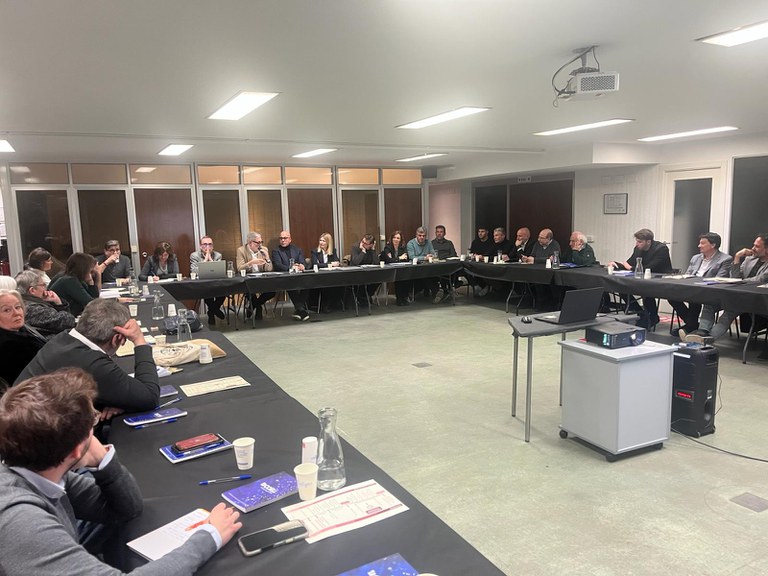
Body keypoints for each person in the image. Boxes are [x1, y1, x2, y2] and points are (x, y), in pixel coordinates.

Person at [0, 368, 242, 575]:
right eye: (93, 421)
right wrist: (209, 537)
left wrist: (103, 459)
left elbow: (127, 508)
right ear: (76, 450)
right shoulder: (20, 520)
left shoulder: (39, 472)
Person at [16, 298, 160, 420]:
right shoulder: (93, 363)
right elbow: (149, 396)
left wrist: (119, 401)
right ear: (117, 338)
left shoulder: (63, 337)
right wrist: (140, 341)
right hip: (36, 436)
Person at [683, 233, 768, 356]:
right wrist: (737, 257)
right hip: (734, 294)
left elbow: (758, 280)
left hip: (751, 299)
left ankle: (706, 339)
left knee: (728, 314)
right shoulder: (749, 259)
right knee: (709, 303)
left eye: (757, 246)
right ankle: (701, 333)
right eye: (754, 245)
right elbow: (735, 277)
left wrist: (740, 281)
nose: (753, 248)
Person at [669, 232, 732, 336]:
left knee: (695, 299)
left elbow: (720, 278)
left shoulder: (725, 259)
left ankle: (692, 327)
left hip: (710, 291)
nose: (699, 246)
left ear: (713, 245)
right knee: (671, 296)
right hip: (692, 287)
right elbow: (688, 274)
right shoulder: (696, 258)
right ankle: (692, 324)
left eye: (702, 243)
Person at [608, 228, 673, 328]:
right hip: (644, 279)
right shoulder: (638, 249)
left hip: (661, 279)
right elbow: (629, 263)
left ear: (648, 242)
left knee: (646, 291)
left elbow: (650, 268)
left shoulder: (661, 249)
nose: (637, 244)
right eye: (637, 241)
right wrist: (615, 264)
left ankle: (652, 317)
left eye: (639, 242)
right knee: (621, 288)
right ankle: (641, 313)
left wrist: (630, 268)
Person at [0, 289, 47, 390]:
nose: (16, 313)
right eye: (7, 310)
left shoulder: (23, 330)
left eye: (18, 307)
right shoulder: (10, 346)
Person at [14, 269, 76, 338]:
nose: (46, 289)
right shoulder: (34, 309)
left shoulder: (23, 303)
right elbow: (68, 322)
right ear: (32, 290)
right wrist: (58, 302)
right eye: (43, 285)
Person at [236, 232, 276, 320]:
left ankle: (254, 305)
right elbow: (239, 268)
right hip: (248, 280)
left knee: (272, 291)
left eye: (261, 242)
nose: (260, 245)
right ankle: (258, 307)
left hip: (261, 279)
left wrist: (267, 258)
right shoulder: (241, 250)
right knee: (249, 290)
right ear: (250, 243)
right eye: (257, 243)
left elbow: (269, 269)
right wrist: (251, 263)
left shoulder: (263, 249)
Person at [271, 230, 310, 321]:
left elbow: (302, 261)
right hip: (284, 277)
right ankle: (301, 310)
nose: (282, 240)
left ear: (290, 239)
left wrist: (301, 265)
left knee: (308, 283)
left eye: (285, 238)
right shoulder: (276, 251)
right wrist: (291, 268)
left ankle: (299, 309)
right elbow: (277, 265)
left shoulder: (297, 249)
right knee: (290, 284)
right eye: (281, 238)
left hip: (298, 276)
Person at [48, 252, 101, 317]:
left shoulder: (77, 279)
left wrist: (91, 282)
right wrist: (97, 275)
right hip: (62, 317)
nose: (93, 271)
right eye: (90, 269)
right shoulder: (69, 280)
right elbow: (91, 304)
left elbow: (94, 299)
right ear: (83, 268)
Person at [190, 236, 226, 325]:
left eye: (210, 244)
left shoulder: (218, 255)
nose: (207, 246)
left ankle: (212, 310)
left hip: (216, 283)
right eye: (205, 244)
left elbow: (219, 271)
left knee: (224, 290)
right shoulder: (194, 256)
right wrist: (206, 259)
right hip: (202, 284)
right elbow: (194, 271)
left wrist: (211, 260)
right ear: (200, 246)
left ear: (213, 246)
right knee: (207, 290)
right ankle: (214, 312)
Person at [309, 233, 342, 312]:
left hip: (330, 276)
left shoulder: (333, 251)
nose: (321, 242)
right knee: (326, 285)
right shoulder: (315, 251)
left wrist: (334, 264)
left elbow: (337, 262)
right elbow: (315, 264)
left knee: (339, 283)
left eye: (323, 241)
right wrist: (330, 264)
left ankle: (335, 304)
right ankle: (325, 306)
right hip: (318, 277)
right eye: (320, 240)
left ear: (328, 242)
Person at [380, 230, 411, 306]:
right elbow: (389, 260)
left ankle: (404, 297)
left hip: (401, 269)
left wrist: (397, 259)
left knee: (406, 277)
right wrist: (399, 258)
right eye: (394, 237)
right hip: (390, 270)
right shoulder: (388, 247)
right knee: (399, 278)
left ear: (400, 240)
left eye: (398, 238)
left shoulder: (403, 247)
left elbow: (406, 258)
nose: (396, 239)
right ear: (391, 238)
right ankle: (399, 299)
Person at [432, 225, 462, 303]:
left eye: (441, 232)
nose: (439, 234)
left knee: (457, 267)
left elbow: (454, 254)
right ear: (435, 233)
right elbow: (433, 255)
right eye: (437, 232)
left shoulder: (449, 243)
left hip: (449, 264)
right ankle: (446, 290)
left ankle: (449, 288)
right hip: (437, 266)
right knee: (443, 273)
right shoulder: (432, 243)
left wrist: (445, 258)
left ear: (444, 233)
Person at [407, 227, 438, 300]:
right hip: (415, 267)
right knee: (425, 275)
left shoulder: (428, 242)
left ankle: (436, 292)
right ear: (416, 235)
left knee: (436, 273)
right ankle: (436, 292)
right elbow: (412, 257)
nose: (422, 237)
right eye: (420, 235)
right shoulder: (411, 243)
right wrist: (424, 258)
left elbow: (433, 253)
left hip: (428, 266)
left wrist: (432, 255)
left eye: (424, 236)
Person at [350, 234, 380, 305]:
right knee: (362, 281)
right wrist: (363, 251)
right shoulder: (355, 247)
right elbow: (356, 262)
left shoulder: (371, 249)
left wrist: (373, 250)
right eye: (362, 241)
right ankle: (362, 297)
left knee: (379, 279)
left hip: (368, 273)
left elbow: (376, 263)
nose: (363, 244)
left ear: (371, 245)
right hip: (356, 273)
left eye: (366, 243)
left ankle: (366, 296)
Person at [469, 227, 494, 296]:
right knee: (466, 269)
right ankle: (476, 285)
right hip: (476, 263)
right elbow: (472, 253)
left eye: (482, 231)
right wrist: (473, 255)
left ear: (487, 232)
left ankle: (485, 286)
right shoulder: (475, 242)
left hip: (487, 263)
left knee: (482, 270)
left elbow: (491, 254)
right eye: (479, 231)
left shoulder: (492, 242)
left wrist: (482, 257)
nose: (480, 233)